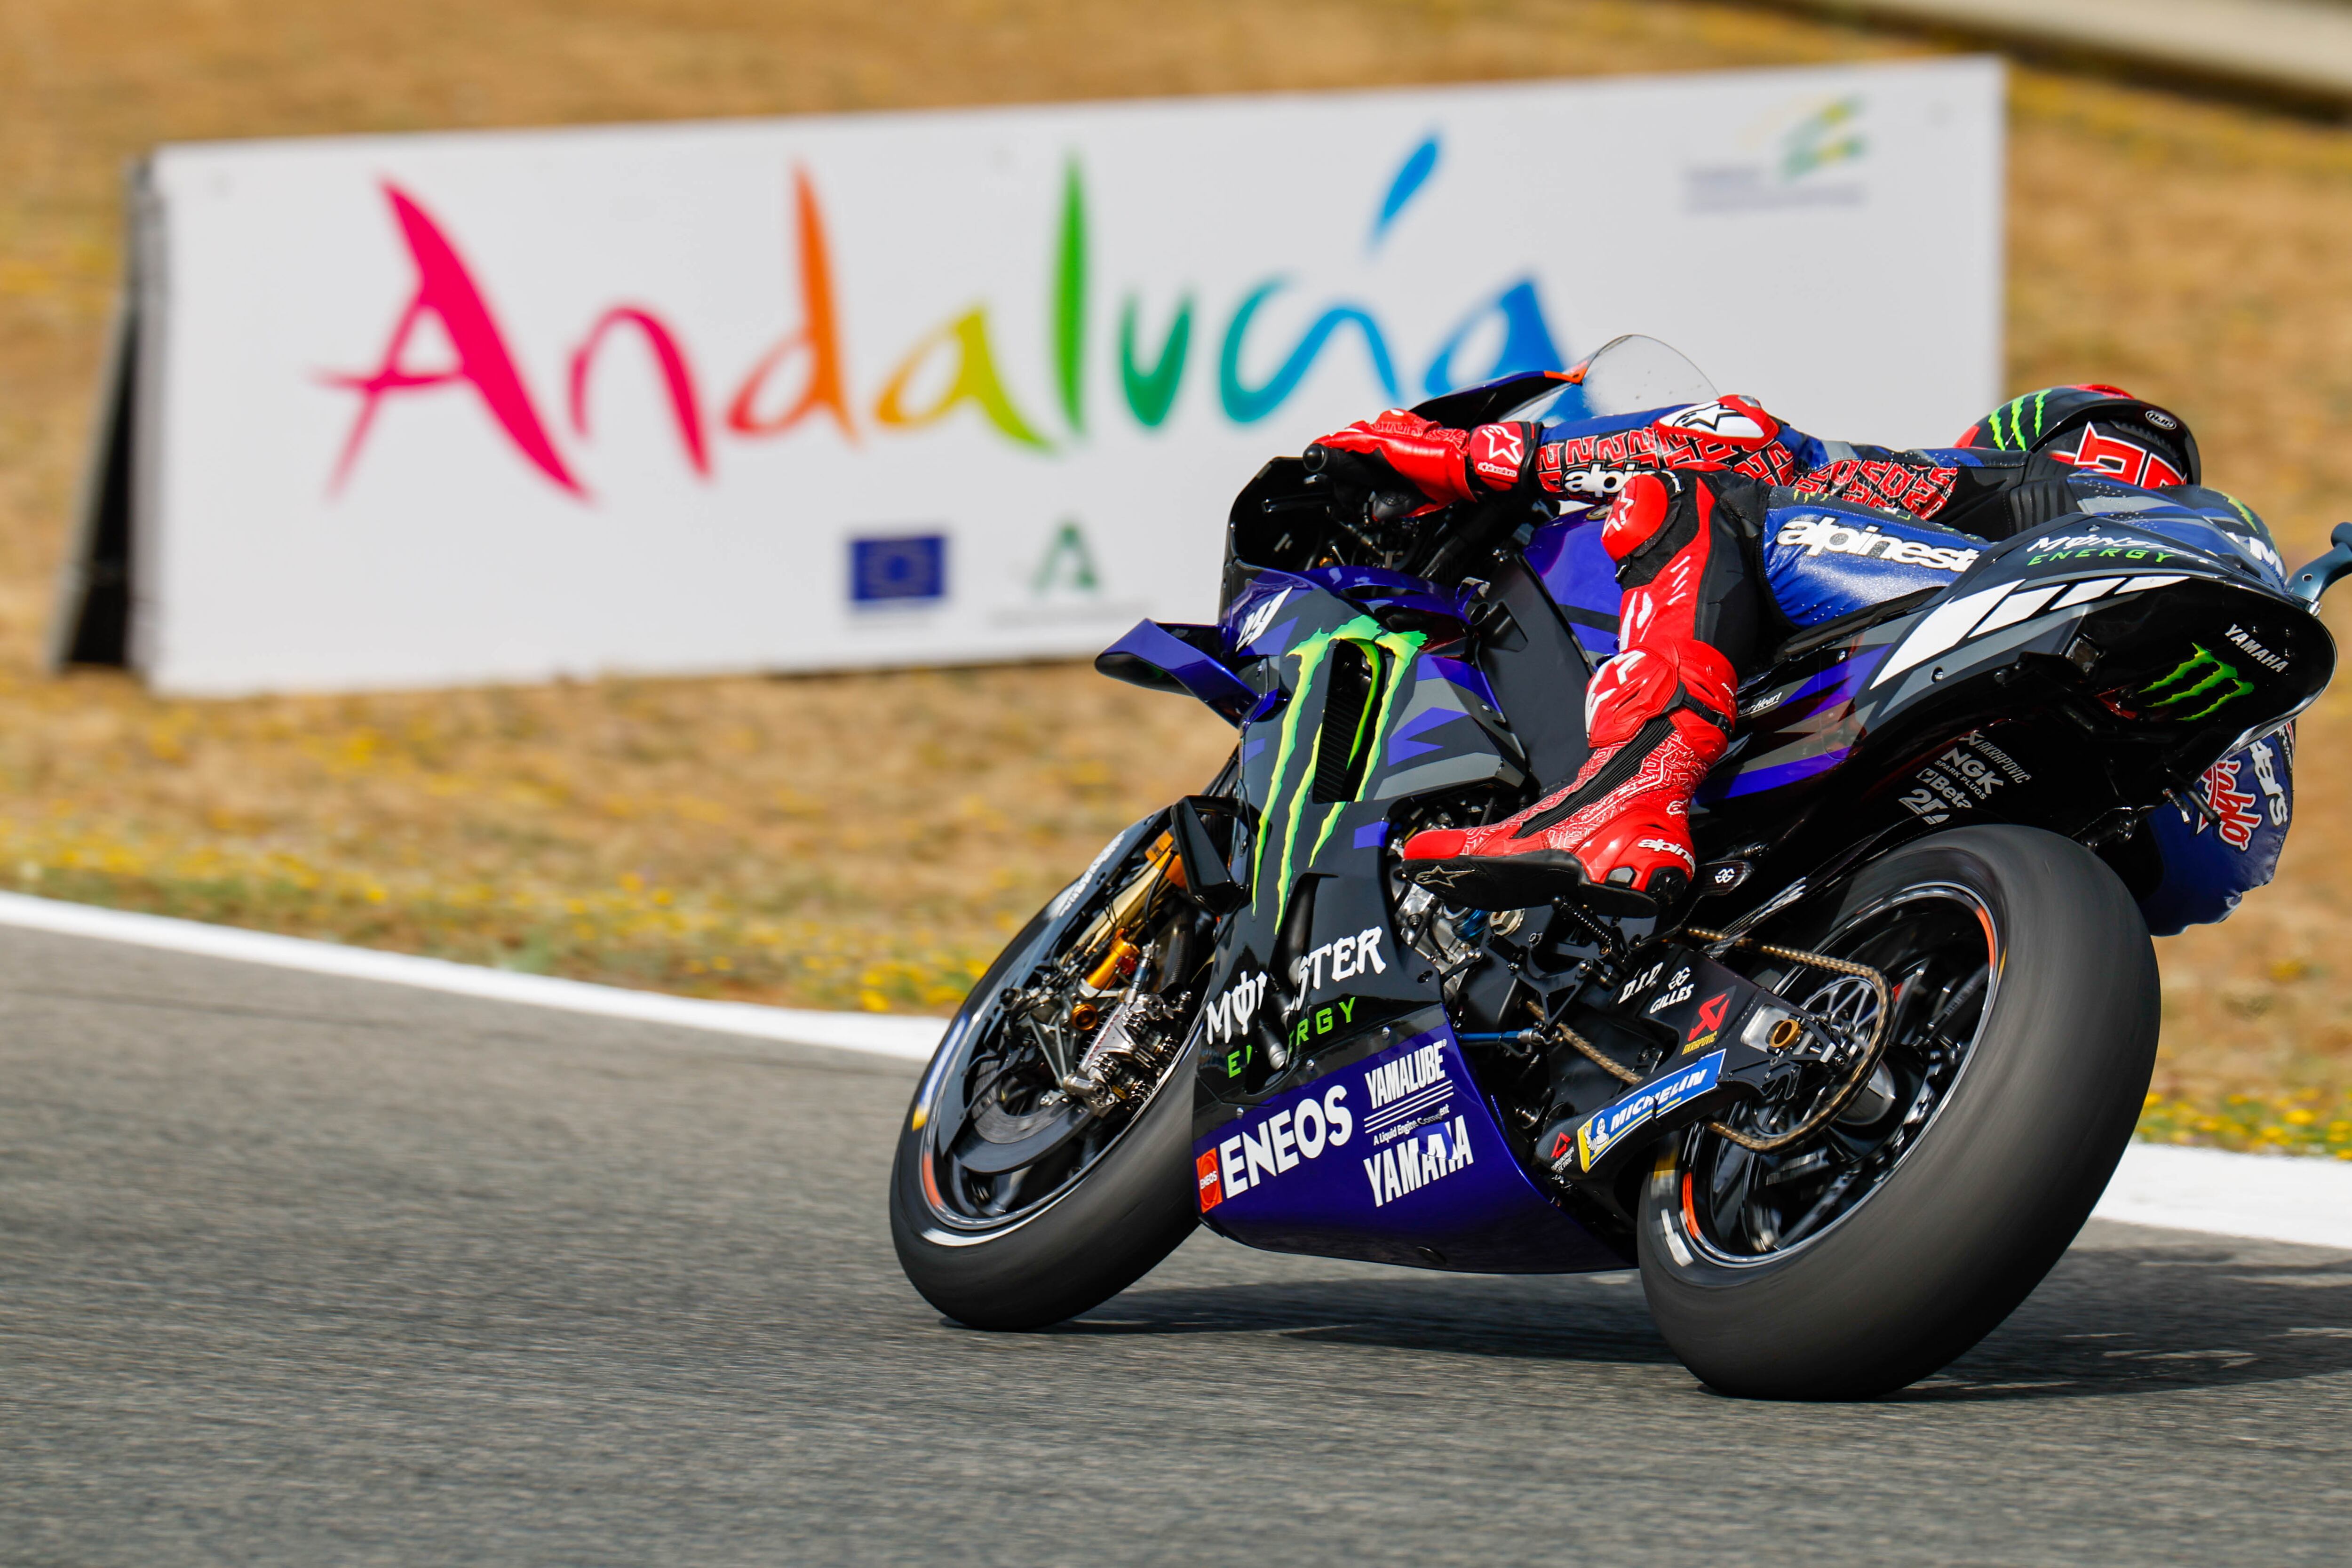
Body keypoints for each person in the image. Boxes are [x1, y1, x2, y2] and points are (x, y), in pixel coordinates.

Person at [1306, 382, 2265, 912]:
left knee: (1696, 493)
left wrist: (1490, 457)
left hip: (2006, 642)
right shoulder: (2230, 581)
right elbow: (2208, 884)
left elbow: (1746, 442)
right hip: (2143, 821)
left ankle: (1633, 791)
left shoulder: (2015, 482)